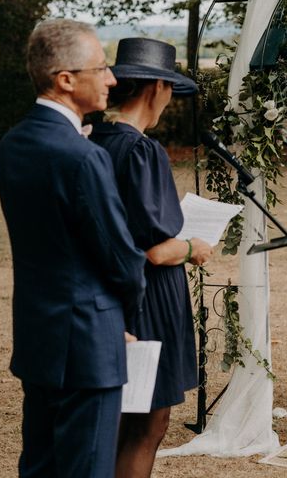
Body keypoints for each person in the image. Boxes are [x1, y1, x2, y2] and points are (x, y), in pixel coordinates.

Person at [0, 19, 146, 478]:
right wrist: (122, 315)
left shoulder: (12, 145)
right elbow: (122, 258)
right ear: (65, 79)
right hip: (90, 345)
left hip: (40, 337)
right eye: (101, 68)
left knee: (40, 466)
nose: (112, 79)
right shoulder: (83, 157)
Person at [90, 37, 214, 477]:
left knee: (116, 421)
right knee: (148, 422)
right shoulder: (143, 151)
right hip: (148, 299)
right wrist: (193, 247)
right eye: (168, 91)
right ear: (156, 87)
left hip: (109, 295)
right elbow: (158, 250)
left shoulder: (96, 141)